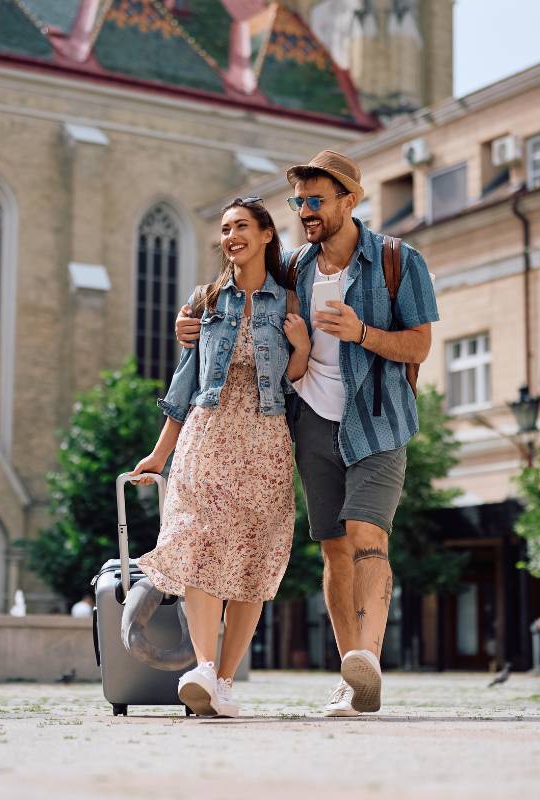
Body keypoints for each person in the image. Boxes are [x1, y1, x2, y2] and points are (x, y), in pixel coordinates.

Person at [176, 151, 439, 717]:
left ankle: (367, 657)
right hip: (313, 422)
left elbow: (418, 344)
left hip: (379, 419)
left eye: (316, 201)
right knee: (335, 550)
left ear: (349, 200)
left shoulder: (398, 260)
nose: (306, 211)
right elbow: (236, 297)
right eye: (299, 203)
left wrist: (363, 331)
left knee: (368, 533)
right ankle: (352, 678)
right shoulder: (293, 267)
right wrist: (191, 320)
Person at [132, 197, 311, 718]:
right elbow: (184, 382)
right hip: (206, 437)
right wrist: (160, 454)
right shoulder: (206, 299)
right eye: (225, 229)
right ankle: (205, 669)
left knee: (253, 560)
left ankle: (225, 683)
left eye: (240, 227)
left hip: (265, 439)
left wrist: (299, 349)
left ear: (265, 236)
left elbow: (297, 381)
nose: (230, 236)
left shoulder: (290, 300)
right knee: (198, 546)